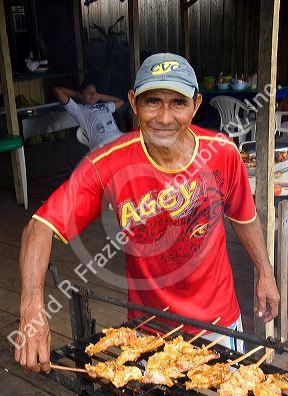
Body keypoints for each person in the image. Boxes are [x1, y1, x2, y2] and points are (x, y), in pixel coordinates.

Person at [17, 53, 279, 372]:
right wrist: (32, 306)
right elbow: (40, 226)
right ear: (133, 103)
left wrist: (264, 271)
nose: (165, 117)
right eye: (152, 101)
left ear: (196, 105)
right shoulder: (107, 164)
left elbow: (243, 215)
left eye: (178, 102)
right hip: (150, 329)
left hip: (219, 322)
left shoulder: (222, 152)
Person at [53, 82, 124, 150]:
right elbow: (56, 90)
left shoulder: (105, 106)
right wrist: (77, 94)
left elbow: (121, 101)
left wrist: (100, 96)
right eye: (89, 92)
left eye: (94, 92)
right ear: (82, 95)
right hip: (103, 144)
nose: (93, 94)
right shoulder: (79, 110)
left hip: (120, 138)